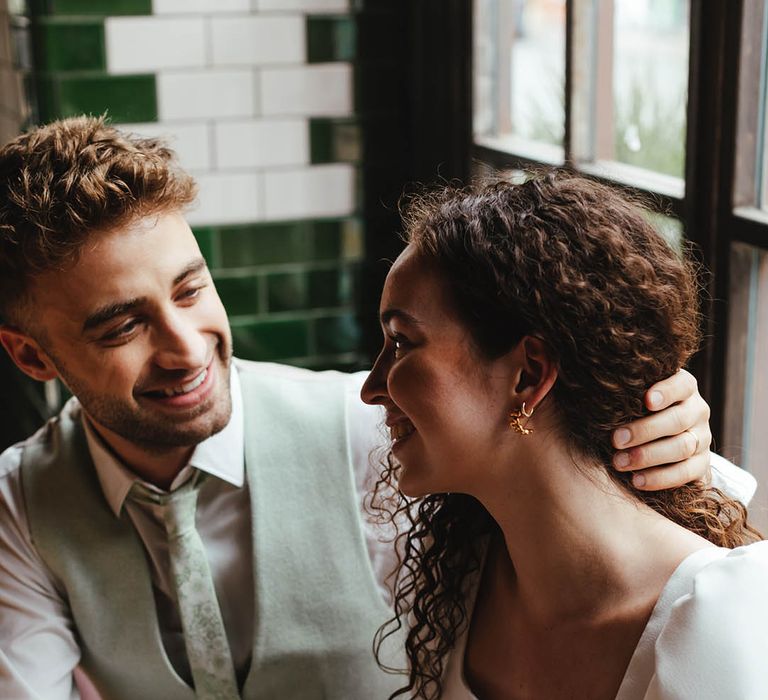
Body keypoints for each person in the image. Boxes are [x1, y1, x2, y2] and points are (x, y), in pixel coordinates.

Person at [0, 118, 745, 700]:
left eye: (192, 290)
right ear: (31, 356)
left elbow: (581, 472)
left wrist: (660, 420)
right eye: (124, 325)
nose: (186, 347)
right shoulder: (22, 506)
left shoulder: (375, 434)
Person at [361, 172, 767, 700]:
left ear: (528, 375)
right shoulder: (463, 578)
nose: (371, 388)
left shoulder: (719, 630)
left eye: (401, 342)